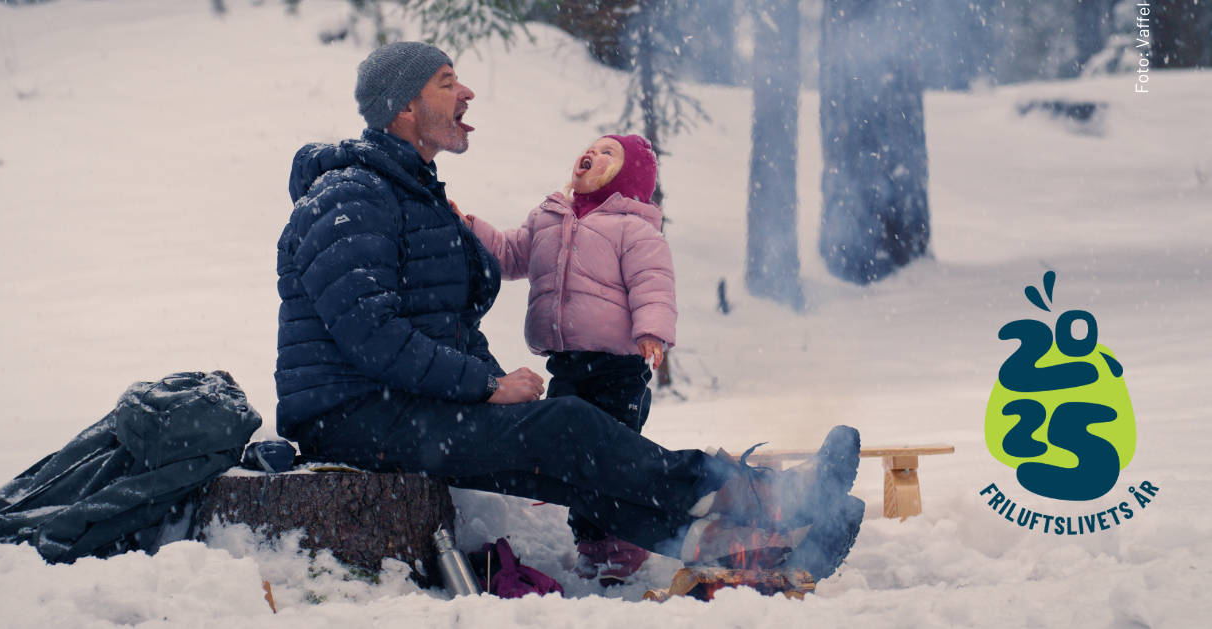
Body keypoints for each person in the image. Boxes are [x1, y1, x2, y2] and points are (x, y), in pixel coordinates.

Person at [274, 41, 864, 579]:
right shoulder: (351, 196)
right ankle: (765, 498)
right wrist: (485, 385)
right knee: (569, 427)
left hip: (398, 404)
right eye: (448, 81)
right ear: (404, 108)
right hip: (349, 415)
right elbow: (371, 334)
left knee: (566, 454)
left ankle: (745, 551)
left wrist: (492, 382)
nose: (467, 92)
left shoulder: (412, 193)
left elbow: (445, 324)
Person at [457, 133, 674, 584]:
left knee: (613, 458)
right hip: (568, 367)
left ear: (629, 177)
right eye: (591, 147)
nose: (592, 153)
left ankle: (624, 544)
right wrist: (471, 227)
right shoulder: (549, 217)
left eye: (609, 153)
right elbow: (512, 253)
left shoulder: (634, 229)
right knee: (574, 459)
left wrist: (652, 331)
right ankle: (591, 543)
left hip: (617, 369)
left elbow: (653, 283)